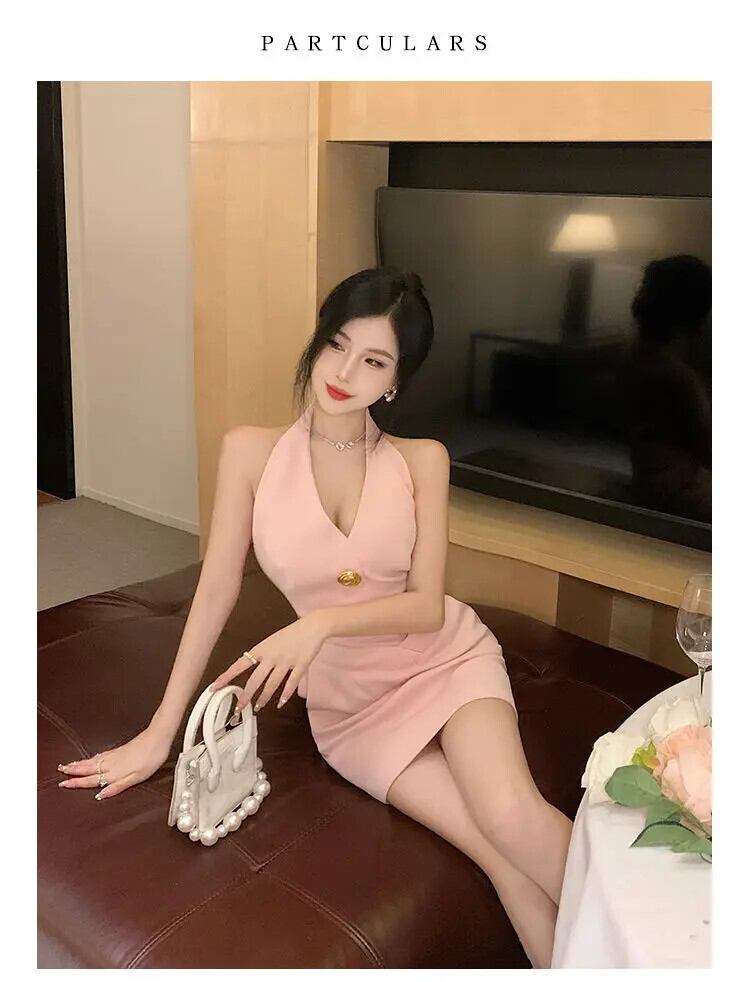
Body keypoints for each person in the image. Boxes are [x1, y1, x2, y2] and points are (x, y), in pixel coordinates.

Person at [56, 266, 572, 968]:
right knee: (498, 857)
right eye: (337, 344)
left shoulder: (423, 461)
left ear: (395, 382)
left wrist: (318, 625)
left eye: (374, 361)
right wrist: (159, 733)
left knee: (511, 816)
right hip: (353, 712)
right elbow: (215, 592)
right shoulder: (250, 452)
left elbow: (426, 605)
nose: (344, 373)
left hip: (444, 662)